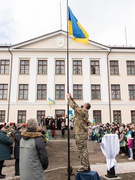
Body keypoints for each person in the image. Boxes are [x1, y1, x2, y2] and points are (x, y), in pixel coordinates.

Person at [67, 93, 91, 172]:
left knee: (82, 150)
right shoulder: (82, 111)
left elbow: (74, 107)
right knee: (83, 150)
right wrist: (71, 98)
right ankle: (86, 165)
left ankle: (85, 166)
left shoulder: (83, 111)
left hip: (80, 134)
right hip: (81, 134)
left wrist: (68, 98)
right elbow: (76, 106)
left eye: (84, 104)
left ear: (86, 106)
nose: (83, 104)